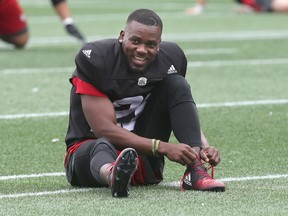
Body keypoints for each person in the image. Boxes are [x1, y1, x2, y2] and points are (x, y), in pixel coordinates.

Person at [64, 8, 225, 198]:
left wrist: (203, 146)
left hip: (143, 162)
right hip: (89, 157)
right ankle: (113, 174)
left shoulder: (171, 58)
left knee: (177, 84)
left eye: (150, 44)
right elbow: (104, 129)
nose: (142, 50)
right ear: (122, 36)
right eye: (135, 41)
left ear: (159, 44)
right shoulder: (96, 59)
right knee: (102, 144)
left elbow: (180, 107)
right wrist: (162, 147)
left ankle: (195, 169)